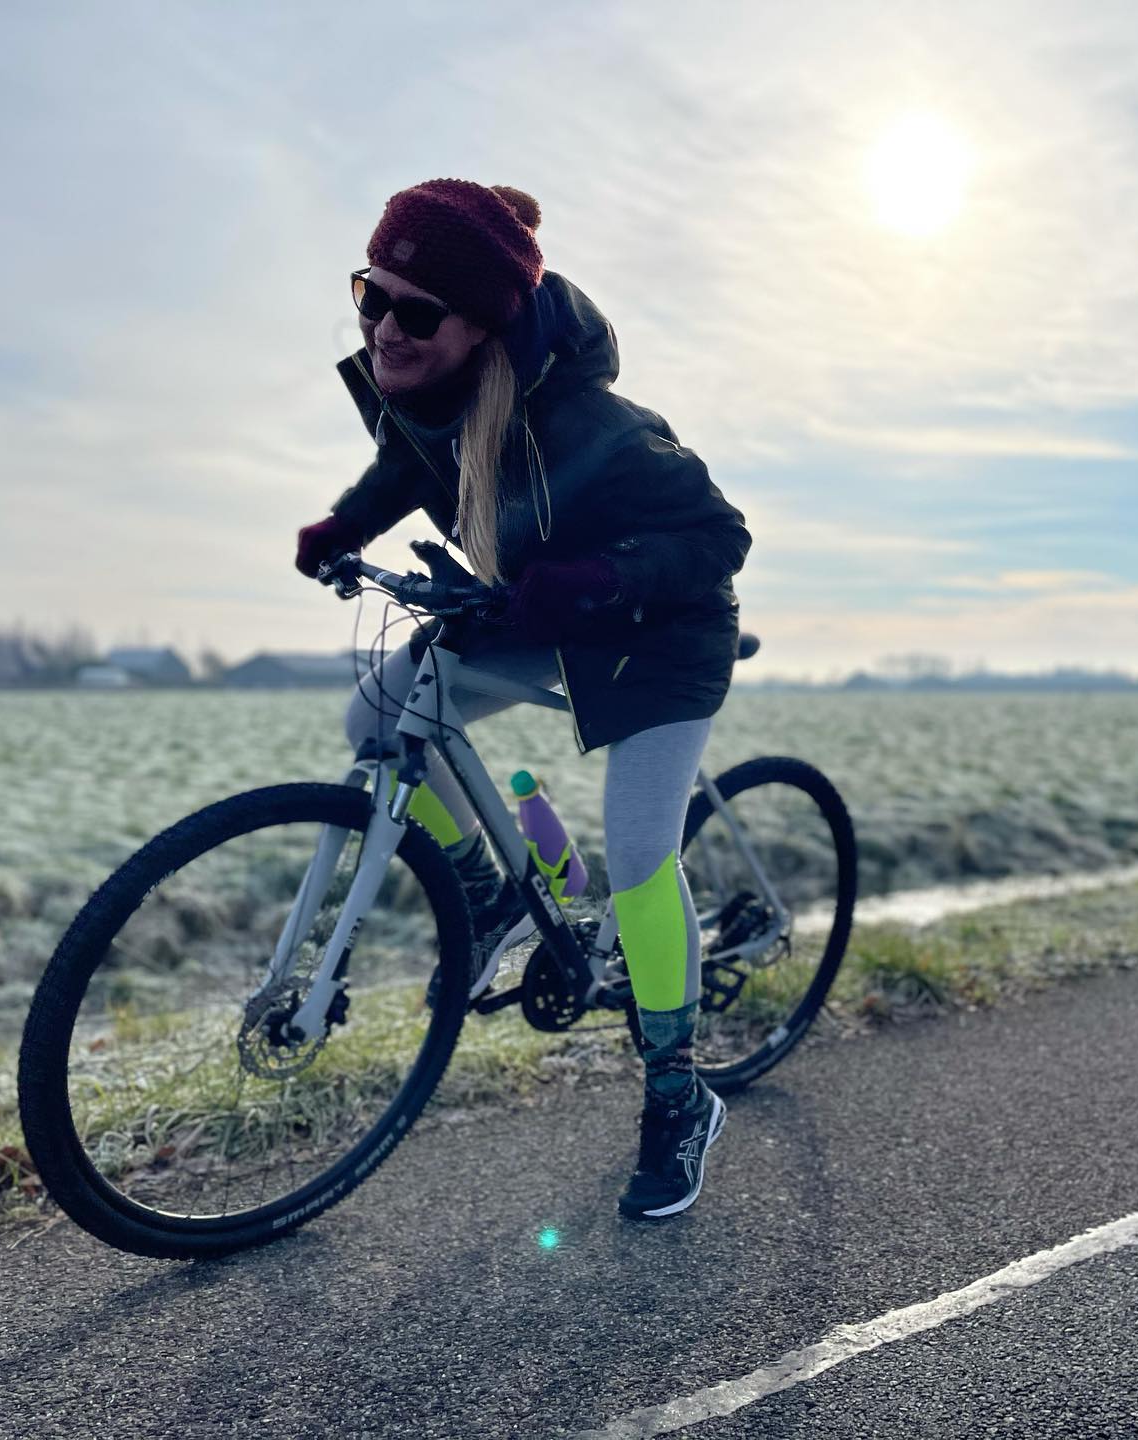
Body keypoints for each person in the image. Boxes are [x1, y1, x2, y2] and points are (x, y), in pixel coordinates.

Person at [295, 178, 751, 1220]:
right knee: (375, 718)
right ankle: (498, 897)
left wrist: (598, 580)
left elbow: (720, 538)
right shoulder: (427, 391)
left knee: (639, 859)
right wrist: (341, 529)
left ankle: (680, 1097)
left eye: (415, 311)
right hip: (538, 613)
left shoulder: (591, 421)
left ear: (482, 324)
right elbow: (407, 471)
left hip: (659, 632)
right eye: (372, 293)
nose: (382, 327)